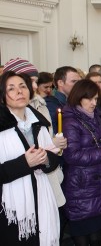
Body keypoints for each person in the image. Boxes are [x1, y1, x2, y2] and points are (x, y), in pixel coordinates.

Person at [0, 71, 60, 245]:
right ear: (3, 96)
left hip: (41, 197)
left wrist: (46, 159)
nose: (19, 92)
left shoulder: (38, 123)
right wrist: (24, 164)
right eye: (11, 88)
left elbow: (53, 158)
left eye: (22, 86)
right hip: (11, 209)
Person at [62, 79, 101, 246]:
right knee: (83, 232)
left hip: (98, 182)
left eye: (96, 99)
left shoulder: (95, 115)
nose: (94, 103)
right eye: (90, 99)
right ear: (79, 98)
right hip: (81, 186)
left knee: (96, 233)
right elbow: (73, 156)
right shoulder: (70, 122)